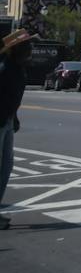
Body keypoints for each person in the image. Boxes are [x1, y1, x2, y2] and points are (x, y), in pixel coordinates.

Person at [1, 29, 34, 230]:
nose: (30, 50)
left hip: (6, 121)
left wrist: (14, 117)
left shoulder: (18, 68)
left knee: (6, 166)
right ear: (15, 50)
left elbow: (12, 98)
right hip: (0, 121)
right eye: (26, 47)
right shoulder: (5, 69)